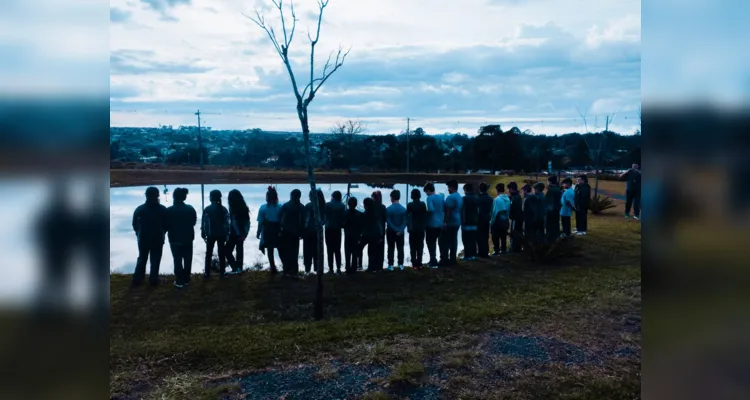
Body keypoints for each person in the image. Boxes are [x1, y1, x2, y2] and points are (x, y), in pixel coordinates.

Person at [132, 186, 167, 287]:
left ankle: (137, 280)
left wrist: (138, 233)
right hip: (158, 238)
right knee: (155, 259)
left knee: (142, 258)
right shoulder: (162, 209)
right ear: (158, 196)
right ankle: (153, 280)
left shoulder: (139, 209)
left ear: (146, 195)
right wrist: (162, 232)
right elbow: (166, 225)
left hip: (143, 238)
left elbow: (135, 225)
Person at [165, 187, 197, 288]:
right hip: (188, 238)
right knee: (188, 259)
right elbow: (193, 222)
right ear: (185, 197)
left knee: (177, 259)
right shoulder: (190, 209)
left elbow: (165, 225)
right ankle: (187, 279)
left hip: (174, 239)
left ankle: (179, 280)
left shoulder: (169, 210)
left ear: (174, 196)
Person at [201, 189, 230, 280]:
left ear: (211, 198)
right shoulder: (224, 209)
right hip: (221, 234)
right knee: (221, 254)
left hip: (210, 234)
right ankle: (222, 272)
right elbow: (227, 223)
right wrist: (227, 234)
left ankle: (207, 273)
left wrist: (203, 232)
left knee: (208, 254)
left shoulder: (207, 209)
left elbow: (204, 223)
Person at [279, 189, 306, 276]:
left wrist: (280, 229)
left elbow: (282, 219)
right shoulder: (301, 207)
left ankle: (286, 269)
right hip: (296, 233)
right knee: (294, 252)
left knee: (285, 252)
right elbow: (303, 221)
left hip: (286, 232)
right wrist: (302, 232)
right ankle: (294, 270)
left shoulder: (286, 206)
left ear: (291, 196)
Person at [257, 186, 282, 274]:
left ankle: (273, 267)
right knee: (280, 249)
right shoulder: (280, 207)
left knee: (270, 250)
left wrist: (258, 232)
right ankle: (285, 266)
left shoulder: (263, 207)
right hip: (278, 230)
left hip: (268, 230)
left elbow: (260, 222)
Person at [225, 189, 250, 274]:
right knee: (239, 251)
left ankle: (236, 267)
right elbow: (247, 223)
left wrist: (239, 233)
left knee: (228, 250)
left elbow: (234, 223)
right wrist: (245, 234)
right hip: (240, 233)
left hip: (235, 233)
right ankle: (238, 268)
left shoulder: (234, 209)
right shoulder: (243, 208)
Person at [304, 189, 326, 274]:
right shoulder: (323, 206)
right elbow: (324, 221)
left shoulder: (308, 206)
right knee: (318, 251)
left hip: (309, 231)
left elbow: (305, 219)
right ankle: (317, 269)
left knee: (308, 251)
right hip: (318, 232)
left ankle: (307, 269)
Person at [441, 180, 463, 265]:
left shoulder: (450, 197)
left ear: (452, 187)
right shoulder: (459, 196)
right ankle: (453, 259)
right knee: (454, 240)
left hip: (451, 222)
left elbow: (447, 211)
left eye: (448, 187)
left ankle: (445, 259)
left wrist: (445, 222)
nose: (448, 189)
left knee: (445, 241)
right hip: (457, 221)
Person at [324, 190, 346, 274]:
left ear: (333, 196)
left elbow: (324, 213)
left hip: (329, 229)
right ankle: (338, 268)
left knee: (329, 249)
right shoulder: (342, 206)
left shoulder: (328, 205)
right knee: (337, 249)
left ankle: (331, 268)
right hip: (337, 229)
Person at [423, 183, 445, 268]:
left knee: (430, 242)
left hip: (432, 224)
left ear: (428, 190)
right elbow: (443, 209)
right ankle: (442, 258)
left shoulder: (429, 198)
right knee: (439, 242)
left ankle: (433, 260)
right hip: (440, 223)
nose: (426, 194)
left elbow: (431, 210)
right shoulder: (440, 197)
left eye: (426, 192)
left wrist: (424, 214)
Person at [359, 197, 383, 272]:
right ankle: (372, 267)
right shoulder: (375, 214)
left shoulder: (364, 214)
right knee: (372, 252)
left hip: (366, 235)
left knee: (359, 249)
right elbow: (378, 226)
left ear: (366, 205)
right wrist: (380, 236)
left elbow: (362, 226)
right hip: (374, 235)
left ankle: (359, 264)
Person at [385, 189, 407, 271]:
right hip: (400, 231)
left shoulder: (388, 209)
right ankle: (400, 264)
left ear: (392, 197)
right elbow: (405, 221)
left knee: (391, 248)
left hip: (391, 231)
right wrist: (400, 230)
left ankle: (390, 265)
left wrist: (395, 229)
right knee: (400, 248)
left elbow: (388, 221)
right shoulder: (403, 209)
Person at [406, 188, 427, 269]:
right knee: (420, 246)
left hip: (412, 229)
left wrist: (408, 227)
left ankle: (414, 263)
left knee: (413, 247)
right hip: (421, 228)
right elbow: (425, 216)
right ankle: (419, 262)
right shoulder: (423, 204)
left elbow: (407, 217)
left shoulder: (409, 205)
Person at [343, 196, 363, 273]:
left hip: (347, 235)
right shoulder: (359, 214)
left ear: (348, 204)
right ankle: (354, 268)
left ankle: (347, 268)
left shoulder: (345, 213)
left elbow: (342, 224)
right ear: (356, 204)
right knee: (355, 253)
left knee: (347, 253)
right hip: (356, 236)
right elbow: (361, 226)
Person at [490, 183, 511, 255]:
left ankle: (496, 250)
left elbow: (494, 212)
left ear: (497, 190)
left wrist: (491, 222)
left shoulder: (497, 199)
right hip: (505, 219)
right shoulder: (507, 198)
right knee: (503, 235)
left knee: (495, 236)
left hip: (498, 221)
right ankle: (504, 249)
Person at [460, 183, 479, 261]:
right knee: (473, 239)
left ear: (466, 190)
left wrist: (462, 221)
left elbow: (462, 210)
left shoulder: (464, 199)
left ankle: (467, 256)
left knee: (466, 239)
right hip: (475, 220)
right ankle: (473, 255)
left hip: (466, 221)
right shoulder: (477, 197)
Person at [476, 182, 494, 258]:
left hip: (480, 218)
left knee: (480, 236)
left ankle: (480, 252)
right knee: (486, 235)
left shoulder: (478, 198)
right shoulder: (490, 198)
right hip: (487, 217)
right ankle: (485, 252)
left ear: (480, 189)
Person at [371, 191, 387, 270]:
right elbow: (385, 220)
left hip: (373, 231)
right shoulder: (383, 207)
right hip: (381, 232)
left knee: (372, 250)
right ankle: (379, 266)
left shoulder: (371, 207)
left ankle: (372, 266)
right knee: (380, 250)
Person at [545, 176, 563, 242]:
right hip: (557, 209)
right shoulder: (558, 189)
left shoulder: (551, 190)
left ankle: (550, 238)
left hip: (551, 211)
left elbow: (549, 201)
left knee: (550, 225)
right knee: (556, 223)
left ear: (550, 182)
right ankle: (556, 236)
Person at [508, 182, 524, 253]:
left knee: (514, 233)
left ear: (511, 189)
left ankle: (514, 248)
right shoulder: (518, 197)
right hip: (518, 219)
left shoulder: (515, 198)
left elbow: (515, 209)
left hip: (515, 219)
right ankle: (516, 247)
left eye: (509, 189)